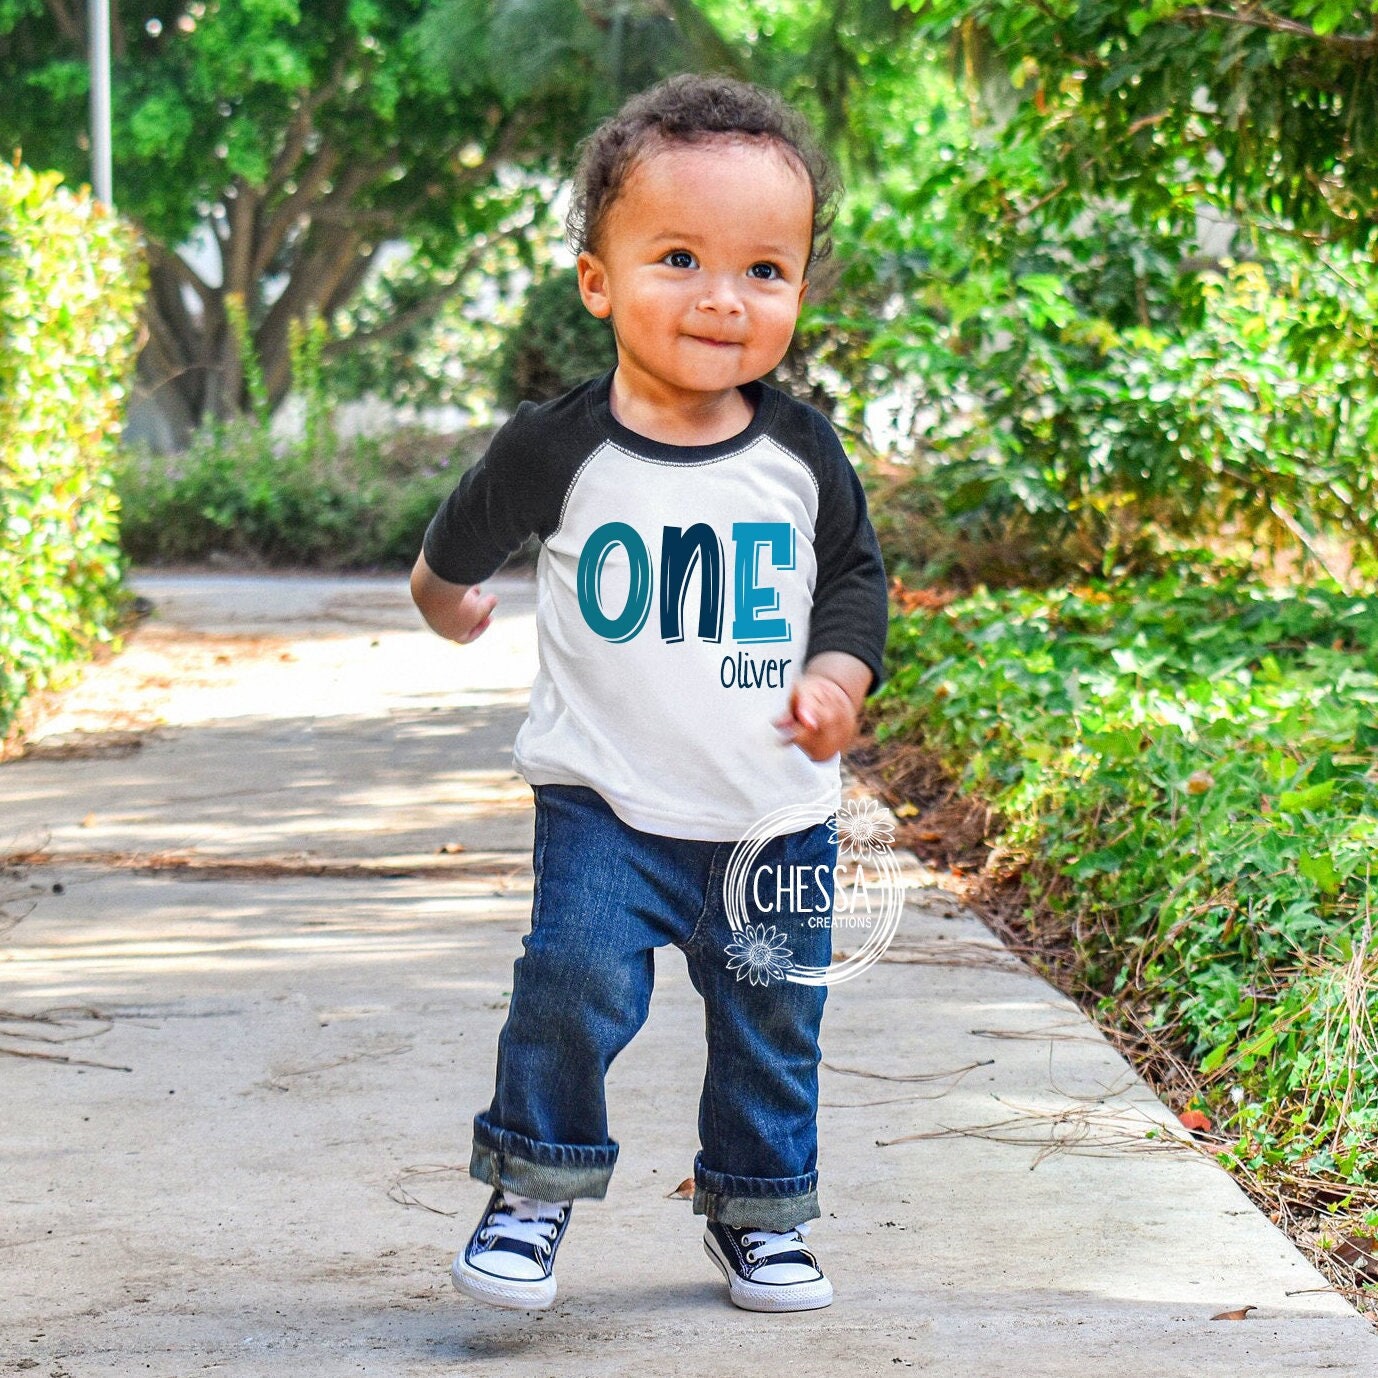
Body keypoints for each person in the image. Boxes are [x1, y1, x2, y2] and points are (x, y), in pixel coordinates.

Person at [410, 72, 889, 1314]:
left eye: (764, 270)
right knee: (567, 989)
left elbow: (851, 580)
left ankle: (759, 1212)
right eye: (678, 257)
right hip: (605, 809)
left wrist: (837, 676)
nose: (722, 298)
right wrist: (444, 601)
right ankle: (532, 1190)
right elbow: (452, 544)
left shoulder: (801, 454)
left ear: (796, 287)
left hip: (772, 816)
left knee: (774, 1029)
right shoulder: (557, 448)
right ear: (597, 280)